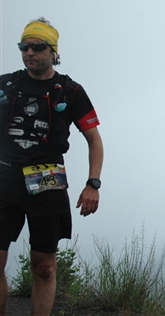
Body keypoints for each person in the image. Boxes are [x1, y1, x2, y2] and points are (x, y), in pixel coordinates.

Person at [0, 17, 103, 316]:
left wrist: (92, 183)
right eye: (24, 46)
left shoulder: (70, 91)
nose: (30, 52)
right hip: (5, 177)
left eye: (38, 46)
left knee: (43, 266)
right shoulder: (5, 84)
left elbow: (95, 140)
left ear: (54, 51)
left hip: (47, 180)